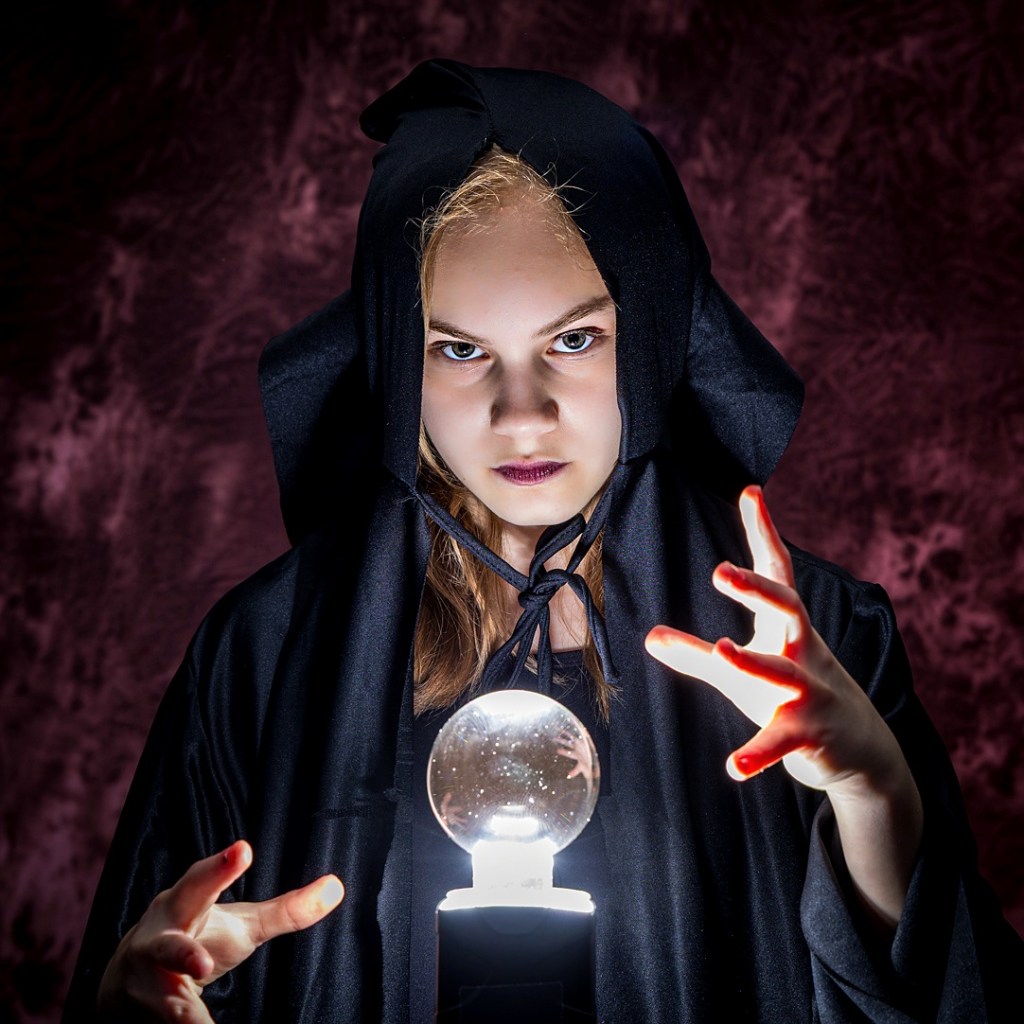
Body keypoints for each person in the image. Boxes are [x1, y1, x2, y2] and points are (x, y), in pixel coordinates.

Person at [64, 60, 1022, 1023]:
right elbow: (152, 957)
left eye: (573, 341)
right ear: (399, 364)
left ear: (647, 339)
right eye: (460, 350)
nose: (520, 417)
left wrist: (873, 791)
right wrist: (136, 999)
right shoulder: (265, 657)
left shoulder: (807, 645)